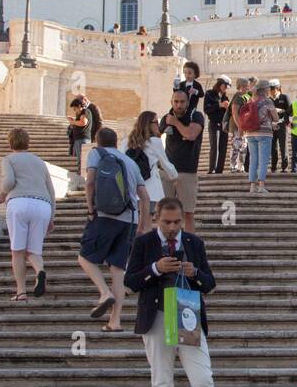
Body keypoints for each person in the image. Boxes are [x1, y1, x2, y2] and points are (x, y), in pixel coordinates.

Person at [124, 198, 238, 387]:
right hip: (157, 317)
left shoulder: (193, 243)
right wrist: (155, 268)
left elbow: (209, 283)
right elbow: (130, 281)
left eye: (177, 222)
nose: (173, 227)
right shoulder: (143, 243)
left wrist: (194, 272)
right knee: (162, 383)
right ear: (156, 218)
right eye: (167, 222)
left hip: (186, 315)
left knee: (203, 379)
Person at [80, 127, 151, 333]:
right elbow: (144, 197)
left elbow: (90, 181)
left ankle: (104, 293)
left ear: (97, 140)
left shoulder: (97, 153)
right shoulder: (129, 161)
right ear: (116, 141)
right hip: (129, 219)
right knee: (118, 271)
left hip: (105, 216)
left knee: (84, 258)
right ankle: (115, 321)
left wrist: (90, 208)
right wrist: (143, 225)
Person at [0, 128, 57, 301]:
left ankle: (21, 291)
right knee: (34, 250)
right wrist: (52, 215)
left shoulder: (9, 159)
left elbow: (8, 181)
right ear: (28, 142)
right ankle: (40, 271)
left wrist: (1, 195)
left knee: (18, 251)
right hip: (43, 205)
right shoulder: (39, 161)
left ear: (10, 143)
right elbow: (51, 190)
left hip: (19, 203)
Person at [162, 89, 204, 230]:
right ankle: (164, 245)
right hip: (166, 172)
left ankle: (189, 247)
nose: (178, 105)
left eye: (182, 102)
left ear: (188, 102)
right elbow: (154, 138)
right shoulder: (166, 117)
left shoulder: (196, 116)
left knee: (188, 213)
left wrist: (175, 123)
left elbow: (191, 135)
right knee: (163, 213)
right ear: (171, 102)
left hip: (187, 172)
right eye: (176, 101)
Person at [126, 111, 178, 217]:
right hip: (150, 189)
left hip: (131, 189)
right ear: (149, 124)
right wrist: (175, 176)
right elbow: (166, 164)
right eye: (156, 122)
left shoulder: (127, 142)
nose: (158, 125)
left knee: (135, 223)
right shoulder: (154, 142)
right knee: (146, 224)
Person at [244, 80, 277, 195]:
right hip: (264, 133)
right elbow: (276, 118)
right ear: (265, 89)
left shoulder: (250, 100)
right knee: (263, 160)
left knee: (253, 160)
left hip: (250, 133)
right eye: (268, 87)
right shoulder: (267, 101)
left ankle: (252, 186)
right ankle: (261, 186)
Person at [203, 76, 231, 175]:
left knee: (223, 147)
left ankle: (220, 169)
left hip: (224, 124)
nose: (226, 88)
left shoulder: (225, 97)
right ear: (221, 84)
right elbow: (206, 109)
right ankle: (212, 169)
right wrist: (219, 105)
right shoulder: (209, 94)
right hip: (214, 123)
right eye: (225, 86)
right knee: (214, 146)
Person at [227, 78, 252, 173]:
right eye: (247, 86)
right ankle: (233, 166)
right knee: (236, 146)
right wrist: (240, 126)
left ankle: (240, 166)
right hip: (237, 126)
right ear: (241, 86)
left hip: (244, 126)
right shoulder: (237, 97)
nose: (248, 88)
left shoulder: (246, 96)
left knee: (243, 146)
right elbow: (234, 112)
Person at [269, 79, 292, 173]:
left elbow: (291, 111)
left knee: (283, 146)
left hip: (282, 124)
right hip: (271, 125)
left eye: (273, 88)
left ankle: (284, 167)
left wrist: (280, 110)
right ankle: (273, 167)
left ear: (278, 88)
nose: (271, 90)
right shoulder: (268, 100)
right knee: (273, 147)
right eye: (270, 89)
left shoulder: (284, 97)